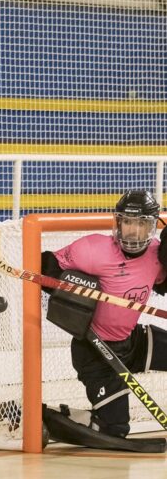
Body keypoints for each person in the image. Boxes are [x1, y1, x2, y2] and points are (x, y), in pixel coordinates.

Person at [40, 189, 167, 448]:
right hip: (95, 350)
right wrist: (59, 287)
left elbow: (163, 284)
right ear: (118, 222)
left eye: (141, 223)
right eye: (127, 221)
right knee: (113, 429)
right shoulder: (92, 250)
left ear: (152, 227)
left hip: (130, 341)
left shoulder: (156, 256)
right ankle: (39, 416)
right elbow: (47, 266)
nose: (133, 231)